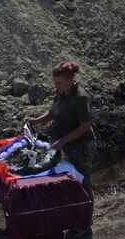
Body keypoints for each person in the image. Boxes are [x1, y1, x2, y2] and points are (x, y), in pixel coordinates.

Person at [26, 61, 97, 198]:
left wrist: (63, 141)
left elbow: (85, 125)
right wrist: (36, 121)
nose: (56, 86)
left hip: (81, 145)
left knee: (82, 181)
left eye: (59, 83)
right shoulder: (62, 92)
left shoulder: (81, 98)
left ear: (70, 80)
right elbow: (54, 112)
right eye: (55, 82)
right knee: (66, 178)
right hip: (64, 144)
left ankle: (86, 213)